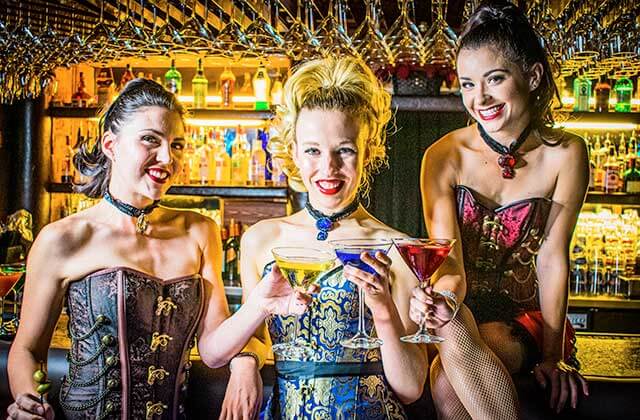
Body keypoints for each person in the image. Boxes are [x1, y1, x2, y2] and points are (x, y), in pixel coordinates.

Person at [7, 78, 311, 420]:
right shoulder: (63, 238)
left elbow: (212, 352)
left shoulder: (199, 231)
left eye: (177, 145)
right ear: (110, 144)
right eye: (150, 140)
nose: (167, 157)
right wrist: (27, 400)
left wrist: (257, 310)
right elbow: (28, 349)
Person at [220, 56, 430, 419]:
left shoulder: (397, 249)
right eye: (313, 150)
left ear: (369, 151)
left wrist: (382, 308)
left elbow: (410, 389)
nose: (328, 168)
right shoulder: (259, 241)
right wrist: (244, 363)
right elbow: (257, 336)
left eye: (344, 150)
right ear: (295, 153)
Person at [410, 1, 590, 417]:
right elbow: (448, 263)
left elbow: (552, 258)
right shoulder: (444, 156)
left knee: (446, 381)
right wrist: (443, 304)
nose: (479, 98)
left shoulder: (566, 154)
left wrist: (551, 355)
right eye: (467, 84)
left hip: (526, 319)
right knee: (453, 329)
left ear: (532, 76)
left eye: (494, 79)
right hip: (462, 309)